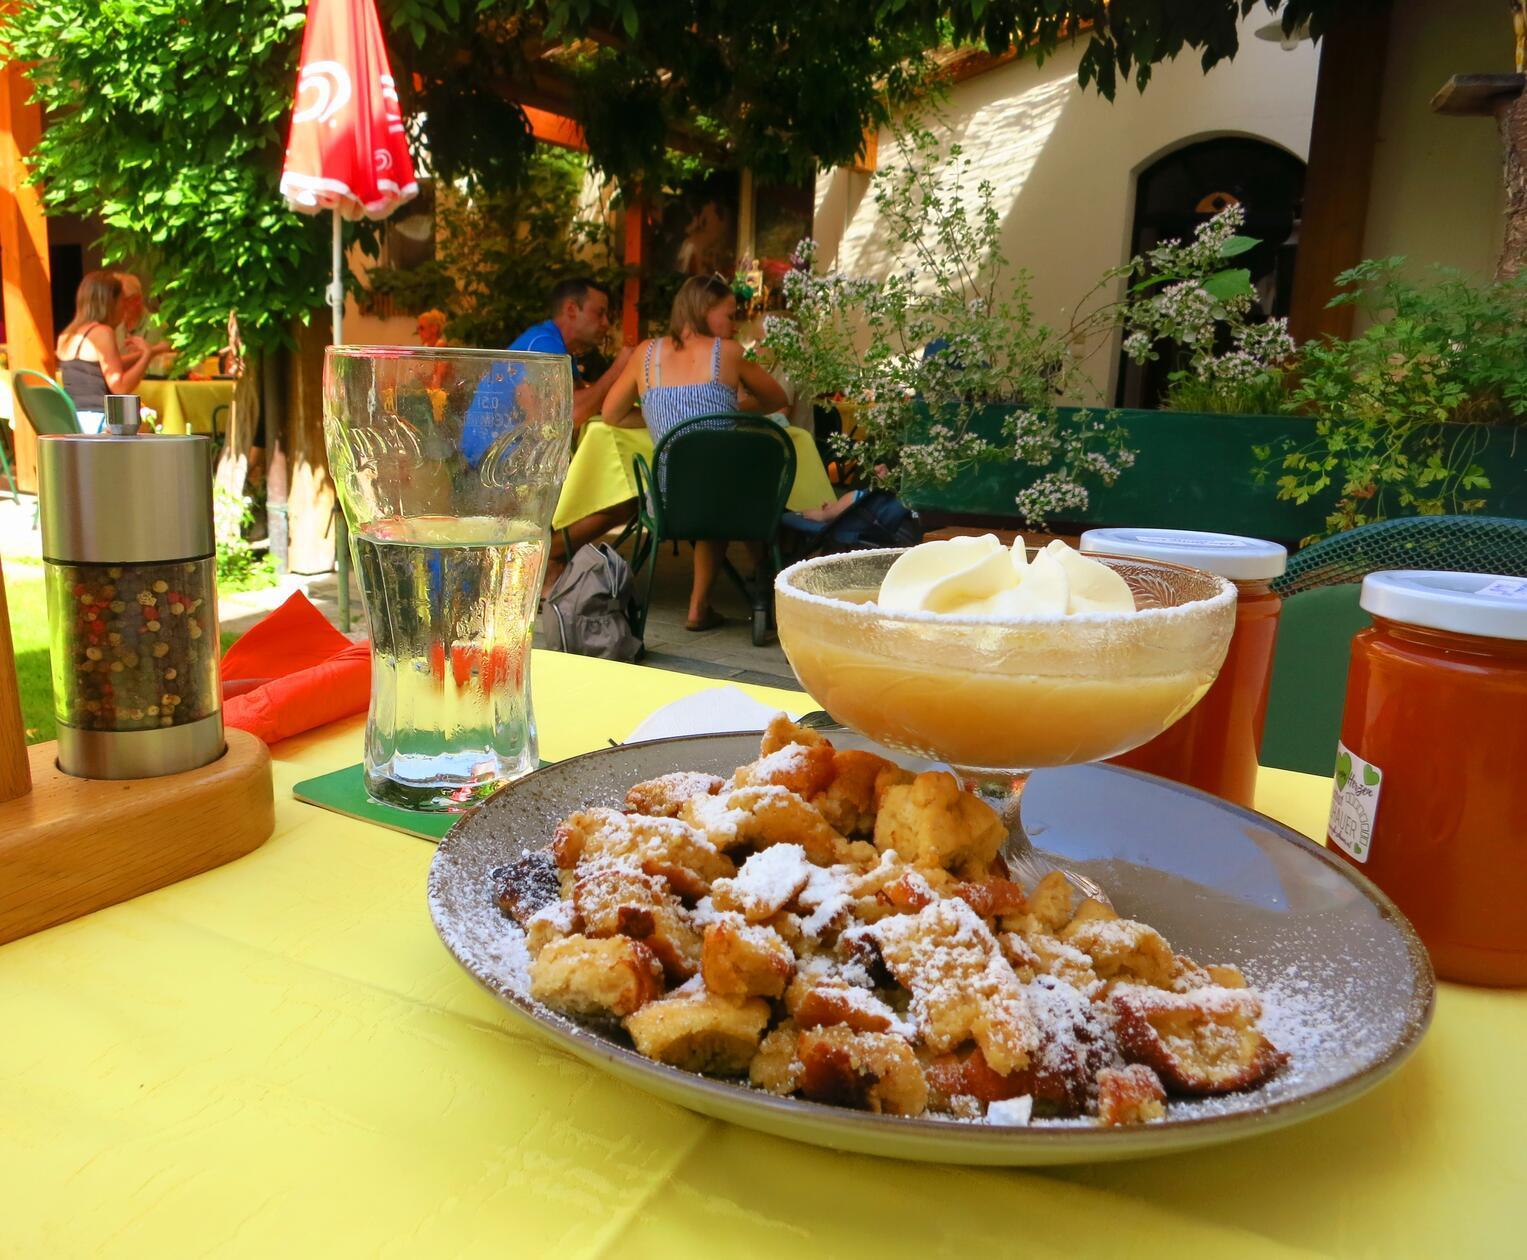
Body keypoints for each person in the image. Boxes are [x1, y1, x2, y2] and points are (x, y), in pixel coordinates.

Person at [596, 274, 789, 630]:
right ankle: (708, 602)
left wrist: (657, 419)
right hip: (719, 498)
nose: (734, 325)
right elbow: (778, 399)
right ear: (703, 309)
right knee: (728, 483)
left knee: (709, 478)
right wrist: (730, 411)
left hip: (667, 497)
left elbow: (611, 413)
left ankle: (710, 601)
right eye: (729, 315)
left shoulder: (645, 354)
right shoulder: (728, 353)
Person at [459, 278, 633, 466]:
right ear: (571, 309)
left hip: (504, 462)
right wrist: (620, 367)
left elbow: (583, 398)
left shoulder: (558, 346)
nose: (606, 323)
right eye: (600, 313)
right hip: (491, 468)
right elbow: (570, 413)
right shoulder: (543, 345)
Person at [55, 271, 157, 430]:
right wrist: (146, 356)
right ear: (111, 302)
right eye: (122, 301)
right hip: (98, 423)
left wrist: (146, 352)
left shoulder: (67, 335)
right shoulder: (102, 332)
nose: (124, 308)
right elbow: (120, 387)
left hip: (72, 421)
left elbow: (103, 367)